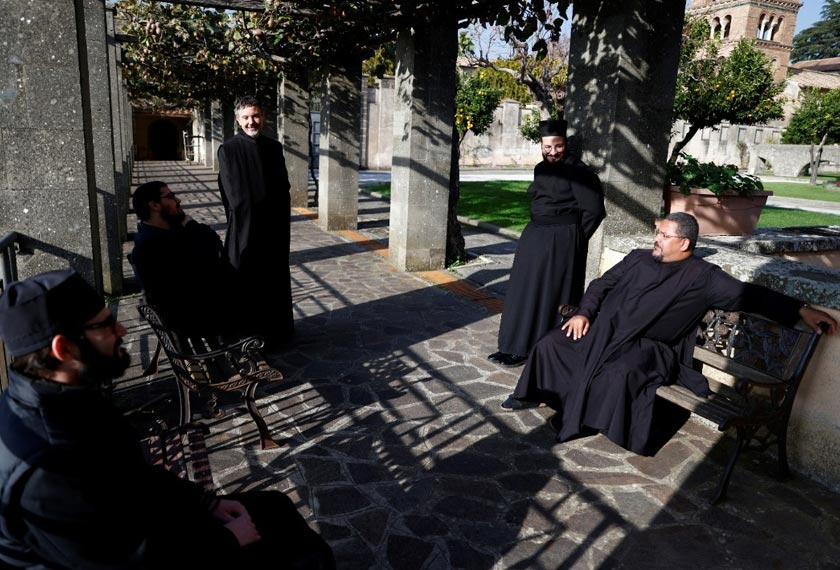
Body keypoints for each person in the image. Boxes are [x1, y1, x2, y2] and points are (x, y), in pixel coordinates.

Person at [0, 269, 335, 569]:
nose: (121, 327)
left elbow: (133, 475)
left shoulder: (66, 392)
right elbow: (116, 558)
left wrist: (206, 502)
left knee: (274, 509)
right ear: (64, 350)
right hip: (131, 547)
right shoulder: (43, 465)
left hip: (138, 524)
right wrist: (228, 540)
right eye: (104, 325)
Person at [502, 213, 837, 455]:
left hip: (653, 347)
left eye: (663, 235)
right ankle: (539, 393)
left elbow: (751, 295)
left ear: (685, 243)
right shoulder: (637, 259)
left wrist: (800, 310)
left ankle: (586, 418)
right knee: (552, 343)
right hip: (604, 329)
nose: (656, 239)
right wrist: (585, 313)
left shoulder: (703, 277)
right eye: (657, 233)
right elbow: (602, 284)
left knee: (620, 370)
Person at [488, 118, 605, 367]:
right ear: (541, 145)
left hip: (560, 240)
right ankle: (512, 345)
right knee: (523, 291)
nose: (553, 152)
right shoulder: (540, 168)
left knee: (548, 294)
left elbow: (594, 211)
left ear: (566, 144)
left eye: (558, 146)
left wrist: (572, 237)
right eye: (547, 147)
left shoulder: (580, 173)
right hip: (535, 236)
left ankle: (535, 350)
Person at [218, 95, 294, 345]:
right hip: (246, 229)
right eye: (246, 117)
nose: (252, 122)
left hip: (274, 228)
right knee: (248, 281)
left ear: (263, 117)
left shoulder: (274, 147)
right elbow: (232, 194)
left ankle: (278, 334)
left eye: (256, 116)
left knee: (274, 281)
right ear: (238, 121)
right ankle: (250, 336)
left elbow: (283, 186)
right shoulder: (228, 149)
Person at [131, 180, 246, 340]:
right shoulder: (154, 246)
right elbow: (211, 254)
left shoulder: (162, 232)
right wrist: (191, 225)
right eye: (170, 196)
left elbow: (213, 245)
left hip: (195, 310)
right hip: (195, 320)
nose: (178, 200)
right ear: (154, 206)